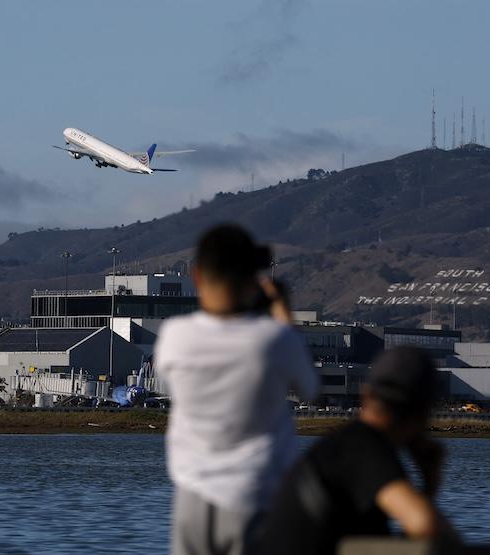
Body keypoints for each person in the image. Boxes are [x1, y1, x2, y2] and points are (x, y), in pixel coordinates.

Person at [155, 224, 318, 555]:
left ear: (196, 276)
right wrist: (283, 315)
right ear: (251, 279)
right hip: (256, 495)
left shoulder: (174, 335)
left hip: (191, 501)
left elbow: (168, 383)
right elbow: (310, 390)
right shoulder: (274, 339)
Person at [257, 347, 458, 555]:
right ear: (423, 414)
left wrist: (429, 487)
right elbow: (425, 524)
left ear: (366, 395)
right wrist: (431, 482)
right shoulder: (363, 447)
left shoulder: (342, 445)